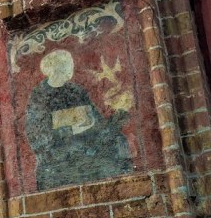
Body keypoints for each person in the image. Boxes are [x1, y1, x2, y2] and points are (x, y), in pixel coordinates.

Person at [25, 49, 132, 190]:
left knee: (118, 140)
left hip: (86, 142)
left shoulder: (76, 90)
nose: (71, 68)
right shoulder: (40, 96)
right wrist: (71, 130)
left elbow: (95, 120)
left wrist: (116, 118)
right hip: (59, 152)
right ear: (57, 68)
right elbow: (38, 134)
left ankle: (125, 188)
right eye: (68, 65)